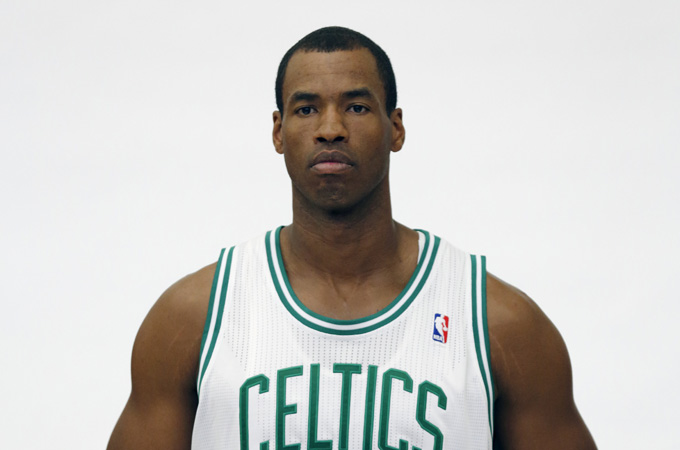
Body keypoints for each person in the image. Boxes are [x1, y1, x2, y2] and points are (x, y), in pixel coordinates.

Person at [107, 26, 596, 450]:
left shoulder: (499, 324)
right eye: (306, 109)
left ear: (395, 128)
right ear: (278, 132)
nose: (330, 129)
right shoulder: (193, 318)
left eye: (357, 107)